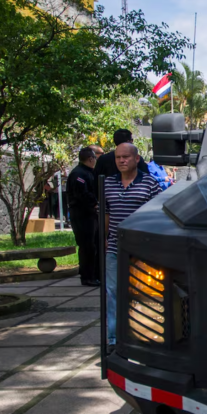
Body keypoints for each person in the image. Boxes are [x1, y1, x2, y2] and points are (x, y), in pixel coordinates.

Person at [104, 143, 163, 348]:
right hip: (114, 248)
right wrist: (104, 238)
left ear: (136, 159)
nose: (121, 160)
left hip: (140, 250)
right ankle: (113, 339)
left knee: (141, 293)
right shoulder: (108, 183)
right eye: (118, 157)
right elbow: (106, 213)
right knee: (113, 293)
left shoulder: (150, 183)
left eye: (126, 157)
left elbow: (157, 216)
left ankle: (140, 335)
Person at [67, 147, 101, 287]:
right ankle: (87, 276)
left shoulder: (87, 172)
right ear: (91, 159)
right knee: (87, 246)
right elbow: (82, 194)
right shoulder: (79, 174)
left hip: (90, 215)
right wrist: (95, 203)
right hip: (82, 215)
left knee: (93, 245)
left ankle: (94, 274)